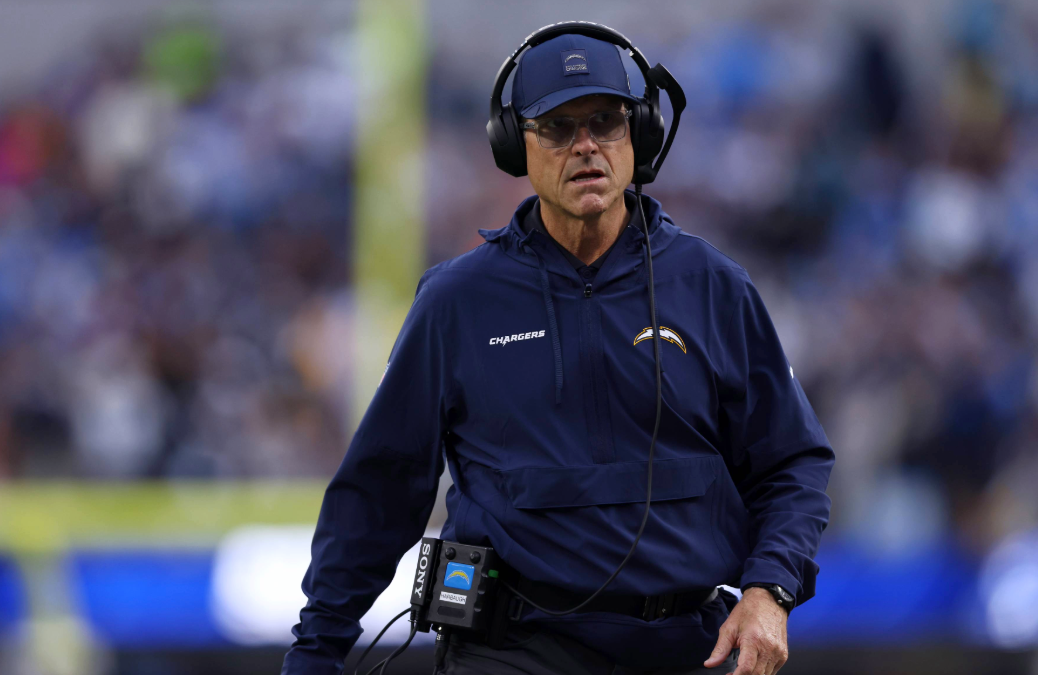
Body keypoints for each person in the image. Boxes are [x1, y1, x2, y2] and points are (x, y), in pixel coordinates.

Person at [282, 24, 833, 675]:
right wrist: (317, 646)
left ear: (642, 136)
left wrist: (771, 589)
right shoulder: (457, 301)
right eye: (558, 127)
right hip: (514, 647)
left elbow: (793, 463)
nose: (586, 146)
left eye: (606, 121)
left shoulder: (714, 287)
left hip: (689, 646)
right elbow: (379, 488)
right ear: (517, 144)